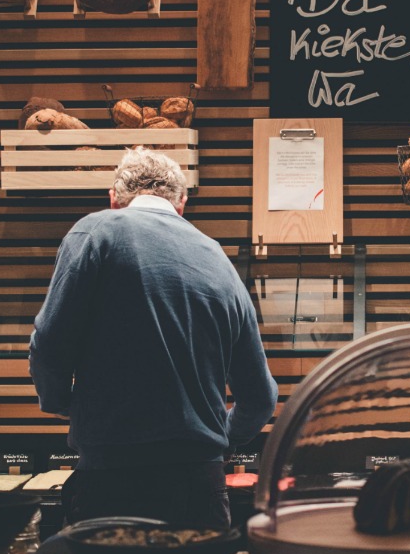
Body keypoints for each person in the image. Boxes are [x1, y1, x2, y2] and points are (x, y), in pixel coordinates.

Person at [30, 147, 277, 528]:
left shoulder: (96, 233)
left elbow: (48, 346)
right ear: (182, 204)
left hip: (112, 479)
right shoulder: (219, 262)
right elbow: (260, 397)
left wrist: (63, 403)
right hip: (199, 488)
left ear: (114, 200)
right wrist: (216, 438)